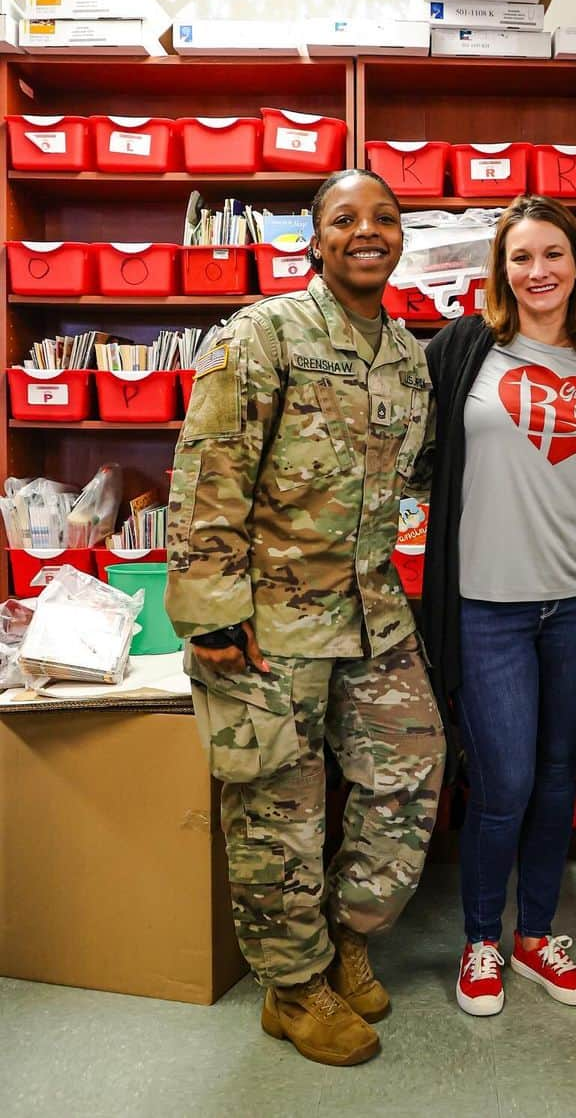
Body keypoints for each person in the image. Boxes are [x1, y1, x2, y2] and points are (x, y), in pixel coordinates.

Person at [165, 169, 445, 1067]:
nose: (368, 231)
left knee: (410, 768)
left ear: (400, 237)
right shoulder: (263, 334)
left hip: (371, 609)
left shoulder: (407, 355)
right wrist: (209, 614)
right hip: (266, 620)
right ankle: (293, 989)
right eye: (346, 218)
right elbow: (208, 469)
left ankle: (347, 939)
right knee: (276, 807)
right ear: (316, 239)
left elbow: (421, 477)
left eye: (385, 217)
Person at [422, 194, 576, 1018]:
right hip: (487, 607)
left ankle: (537, 935)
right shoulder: (468, 348)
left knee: (555, 779)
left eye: (554, 253)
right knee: (504, 780)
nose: (537, 270)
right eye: (521, 256)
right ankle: (481, 938)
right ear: (500, 268)